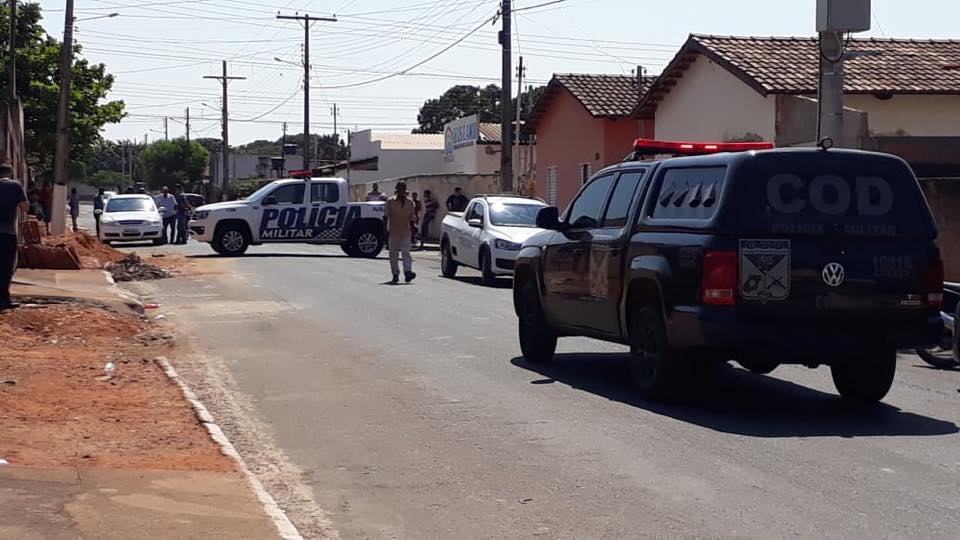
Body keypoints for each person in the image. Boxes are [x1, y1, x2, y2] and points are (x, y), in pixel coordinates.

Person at [0, 164, 28, 310]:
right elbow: (25, 207)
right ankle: (4, 300)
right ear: (10, 174)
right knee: (6, 267)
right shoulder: (15, 186)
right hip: (7, 233)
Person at [383, 181, 416, 284]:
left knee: (406, 253)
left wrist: (414, 227)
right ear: (397, 190)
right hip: (393, 232)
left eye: (403, 189)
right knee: (393, 255)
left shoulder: (410, 203)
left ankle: (408, 272)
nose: (402, 191)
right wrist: (385, 231)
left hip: (406, 232)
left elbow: (412, 217)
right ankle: (395, 274)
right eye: (400, 189)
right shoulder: (390, 201)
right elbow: (385, 217)